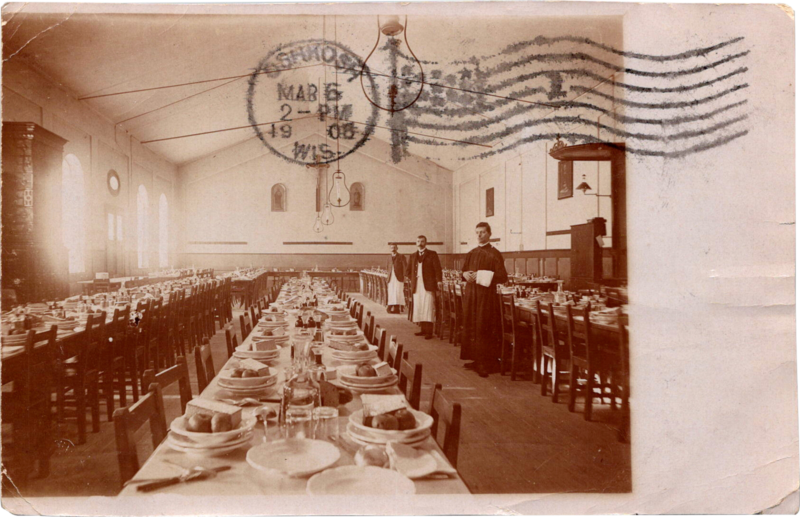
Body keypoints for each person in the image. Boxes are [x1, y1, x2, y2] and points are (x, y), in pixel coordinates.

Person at [461, 222, 508, 377]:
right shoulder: (472, 252)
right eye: (477, 232)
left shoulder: (495, 254)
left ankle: (485, 362)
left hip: (486, 298)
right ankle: (475, 359)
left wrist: (480, 275)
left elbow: (502, 277)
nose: (479, 235)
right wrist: (465, 275)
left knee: (483, 327)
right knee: (472, 325)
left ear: (489, 234)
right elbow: (463, 271)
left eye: (482, 232)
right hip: (471, 295)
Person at [406, 235, 442, 339]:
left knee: (428, 307)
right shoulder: (413, 256)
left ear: (425, 243)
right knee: (419, 307)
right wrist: (413, 279)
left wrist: (438, 281)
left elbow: (438, 269)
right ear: (416, 243)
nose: (420, 243)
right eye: (418, 241)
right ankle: (422, 330)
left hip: (428, 285)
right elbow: (408, 271)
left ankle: (429, 332)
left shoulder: (432, 254)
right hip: (417, 285)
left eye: (422, 241)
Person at [386, 244, 406, 314]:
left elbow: (405, 267)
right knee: (391, 292)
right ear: (390, 249)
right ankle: (390, 306)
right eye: (391, 248)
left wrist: (405, 276)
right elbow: (387, 267)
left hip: (399, 277)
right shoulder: (389, 257)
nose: (393, 249)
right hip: (391, 277)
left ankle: (397, 308)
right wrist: (388, 276)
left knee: (398, 292)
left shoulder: (401, 256)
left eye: (394, 247)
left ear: (397, 248)